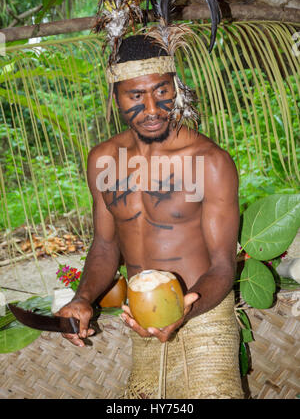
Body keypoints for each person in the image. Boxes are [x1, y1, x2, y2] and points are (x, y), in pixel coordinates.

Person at [56, 34, 244, 399]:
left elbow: (223, 265)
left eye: (162, 91)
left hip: (205, 319)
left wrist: (183, 313)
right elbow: (106, 245)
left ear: (177, 88)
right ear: (115, 96)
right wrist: (83, 298)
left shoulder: (209, 161)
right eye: (135, 95)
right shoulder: (103, 160)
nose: (153, 108)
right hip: (142, 322)